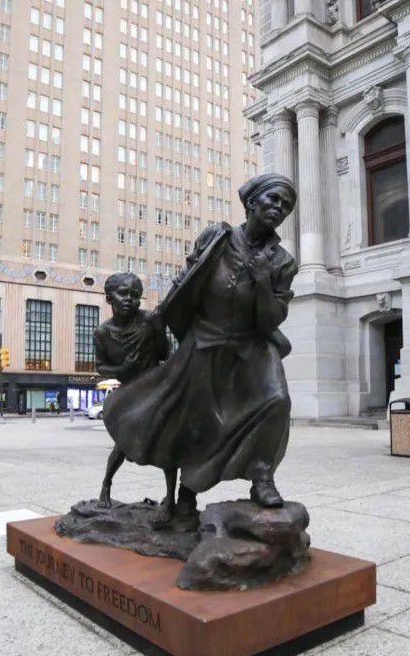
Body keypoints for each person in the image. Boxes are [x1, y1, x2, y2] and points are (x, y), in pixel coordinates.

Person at [103, 173, 299, 511]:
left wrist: (263, 280)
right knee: (196, 419)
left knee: (277, 401)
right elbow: (188, 279)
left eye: (285, 205)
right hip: (204, 341)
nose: (279, 208)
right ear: (251, 202)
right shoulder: (217, 237)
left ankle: (262, 477)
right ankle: (187, 493)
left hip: (251, 344)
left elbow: (270, 319)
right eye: (273, 199)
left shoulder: (282, 262)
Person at [92, 272, 178, 521]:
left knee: (168, 442)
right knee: (122, 446)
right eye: (123, 294)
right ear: (109, 298)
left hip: (155, 386)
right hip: (129, 391)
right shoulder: (102, 333)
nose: (130, 299)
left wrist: (160, 330)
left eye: (135, 295)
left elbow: (164, 353)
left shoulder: (149, 319)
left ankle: (171, 499)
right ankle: (106, 484)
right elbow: (101, 366)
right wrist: (122, 369)